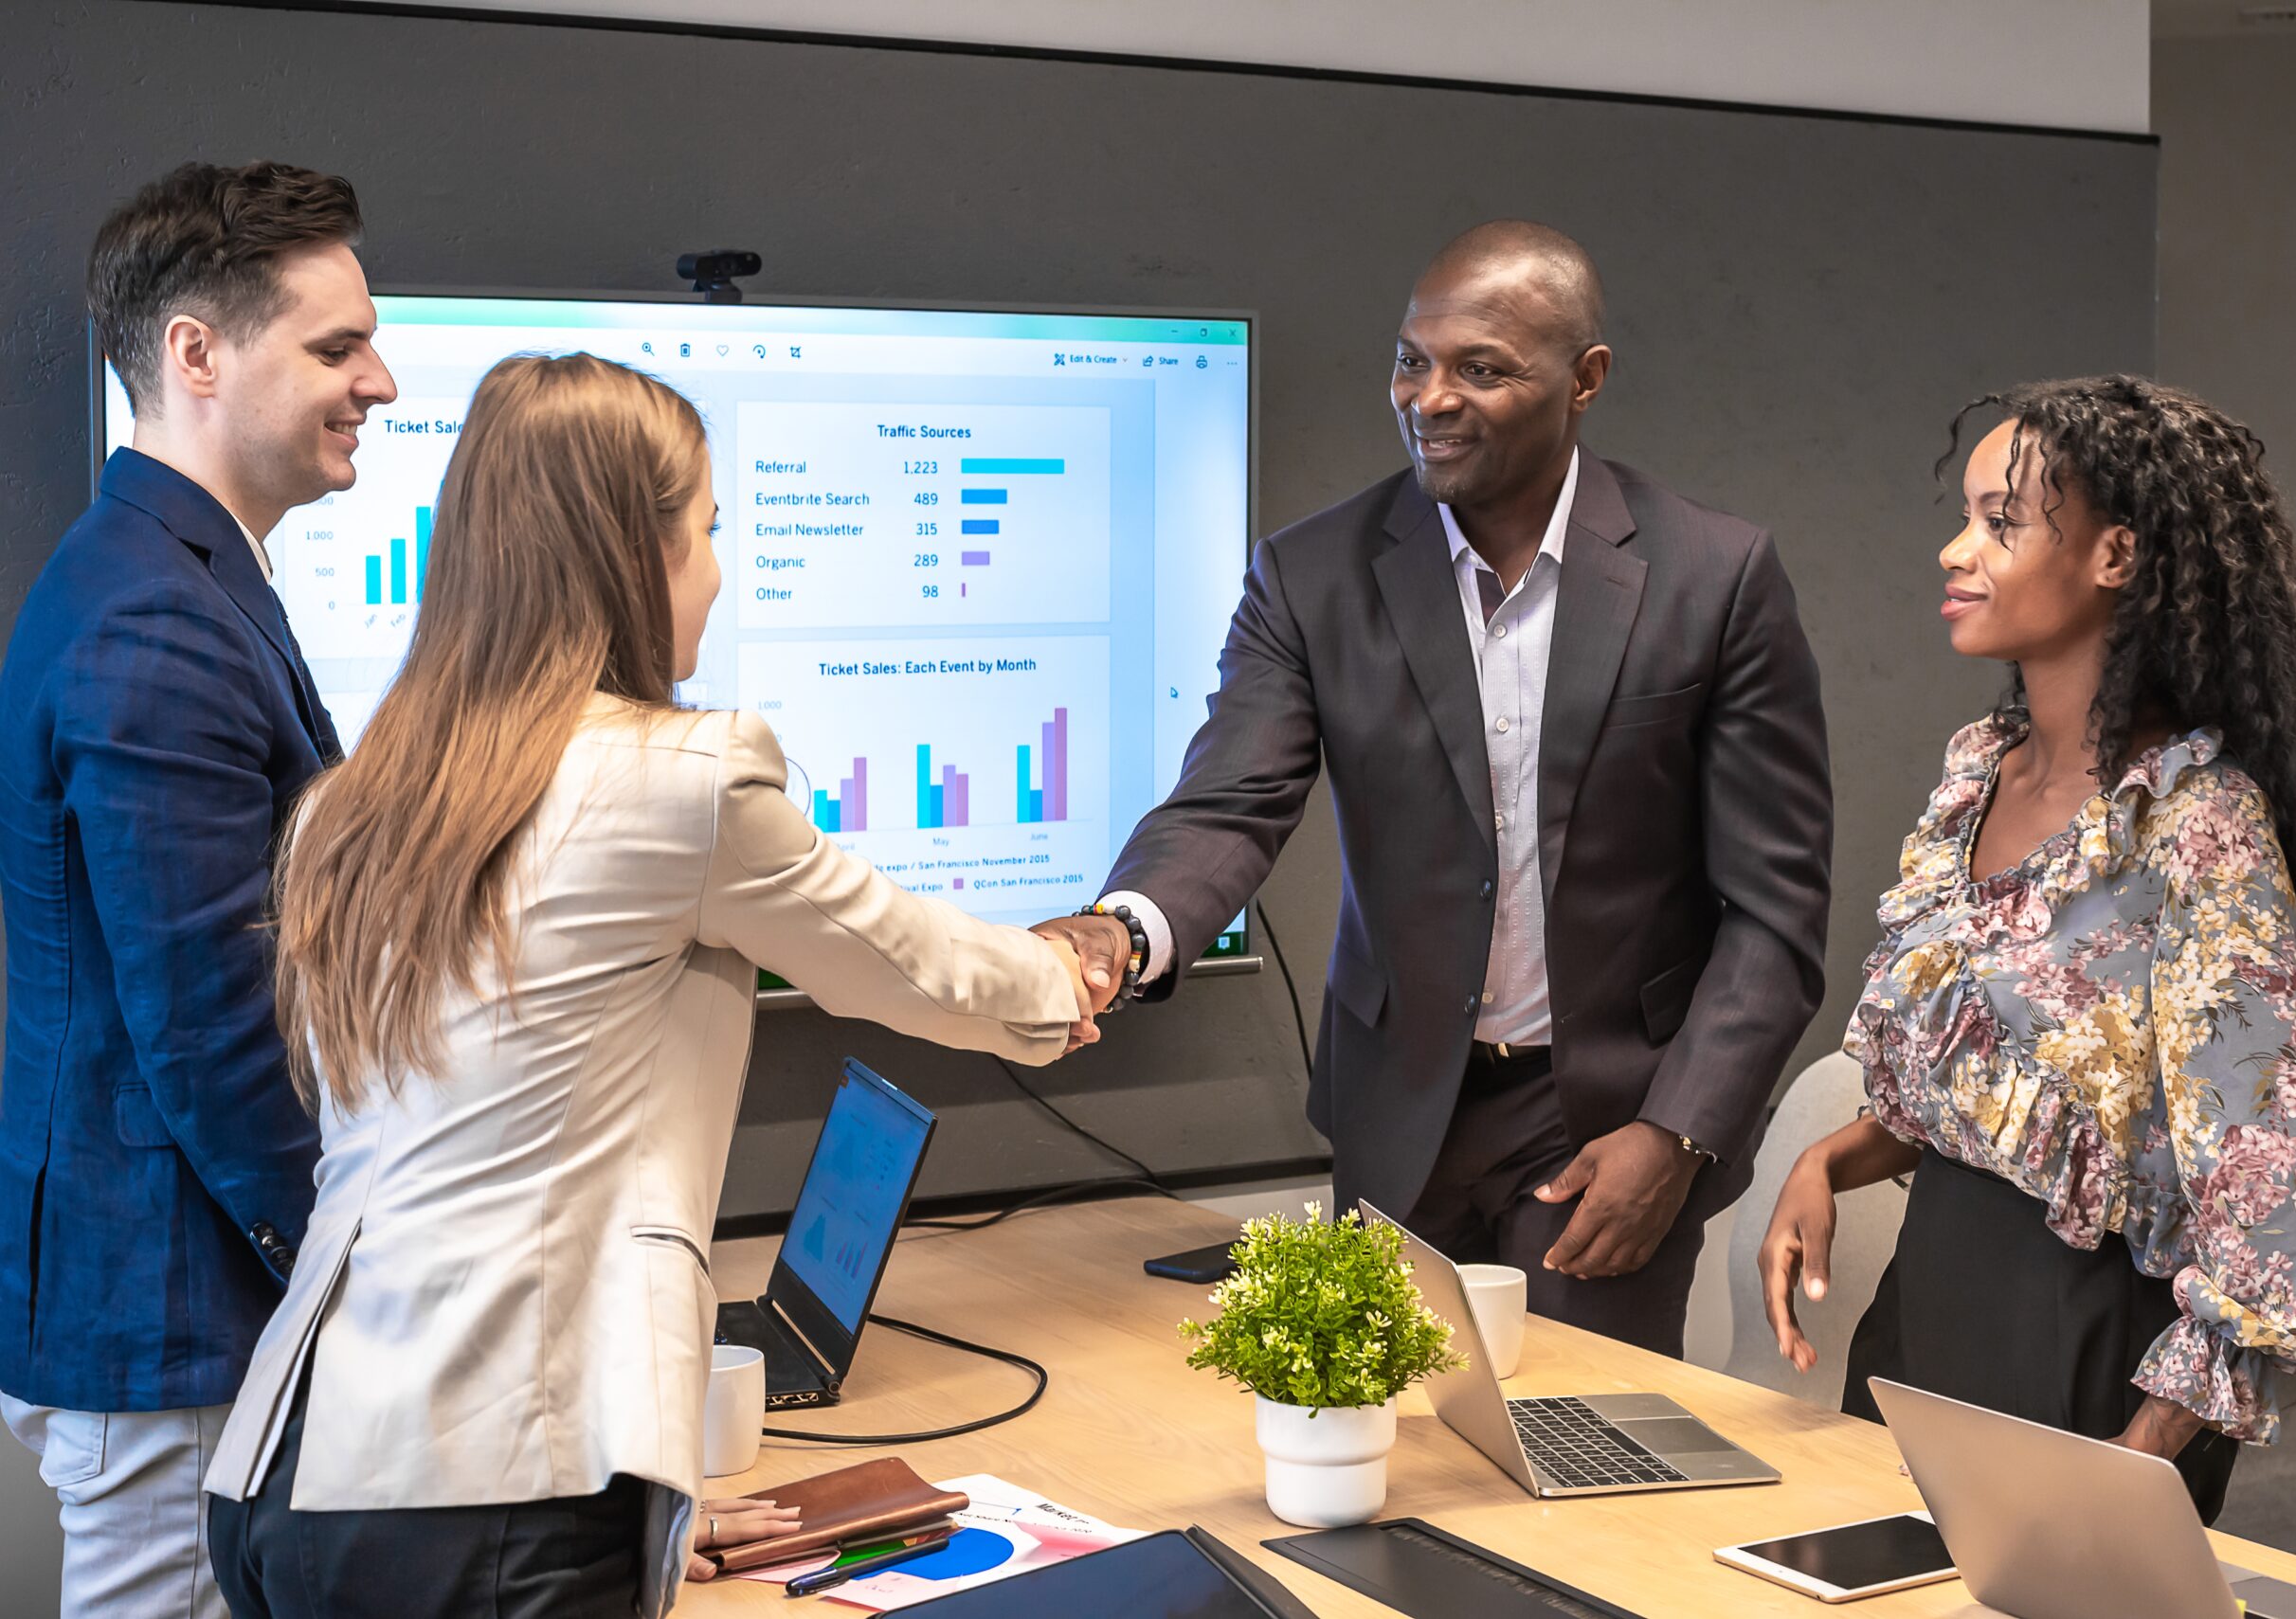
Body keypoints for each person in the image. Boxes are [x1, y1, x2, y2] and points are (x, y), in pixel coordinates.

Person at [200, 353, 1105, 1619]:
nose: (720, 572)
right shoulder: (683, 780)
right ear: (639, 551)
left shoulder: (349, 810)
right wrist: (1078, 970)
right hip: (492, 1498)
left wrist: (643, 1493)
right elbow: (917, 966)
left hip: (293, 1479)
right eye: (710, 530)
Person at [1038, 221, 1833, 1353]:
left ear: (1584, 379)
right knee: (1390, 1429)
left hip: (1608, 1116)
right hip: (1401, 1103)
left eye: (1482, 368)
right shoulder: (1310, 574)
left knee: (1577, 1429)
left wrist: (1676, 1131)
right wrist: (1119, 930)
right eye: (1412, 360)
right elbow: (1228, 802)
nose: (1430, 397)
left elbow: (1775, 907)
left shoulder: (1713, 575)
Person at [1757, 376, 2296, 1523]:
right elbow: (2013, 1098)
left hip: (2083, 1356)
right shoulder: (1978, 773)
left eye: (2000, 521)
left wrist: (2135, 1457)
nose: (1954, 550)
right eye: (1965, 516)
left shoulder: (2192, 826)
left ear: (2117, 554)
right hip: (1921, 1320)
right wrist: (1827, 1158)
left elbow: (2282, 1210)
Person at [0, 160, 393, 1619]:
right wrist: (358, 1282)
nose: (380, 381)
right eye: (337, 347)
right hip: (174, 1315)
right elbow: (212, 1024)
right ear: (196, 354)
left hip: (174, 1299)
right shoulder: (156, 619)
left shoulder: (176, 572)